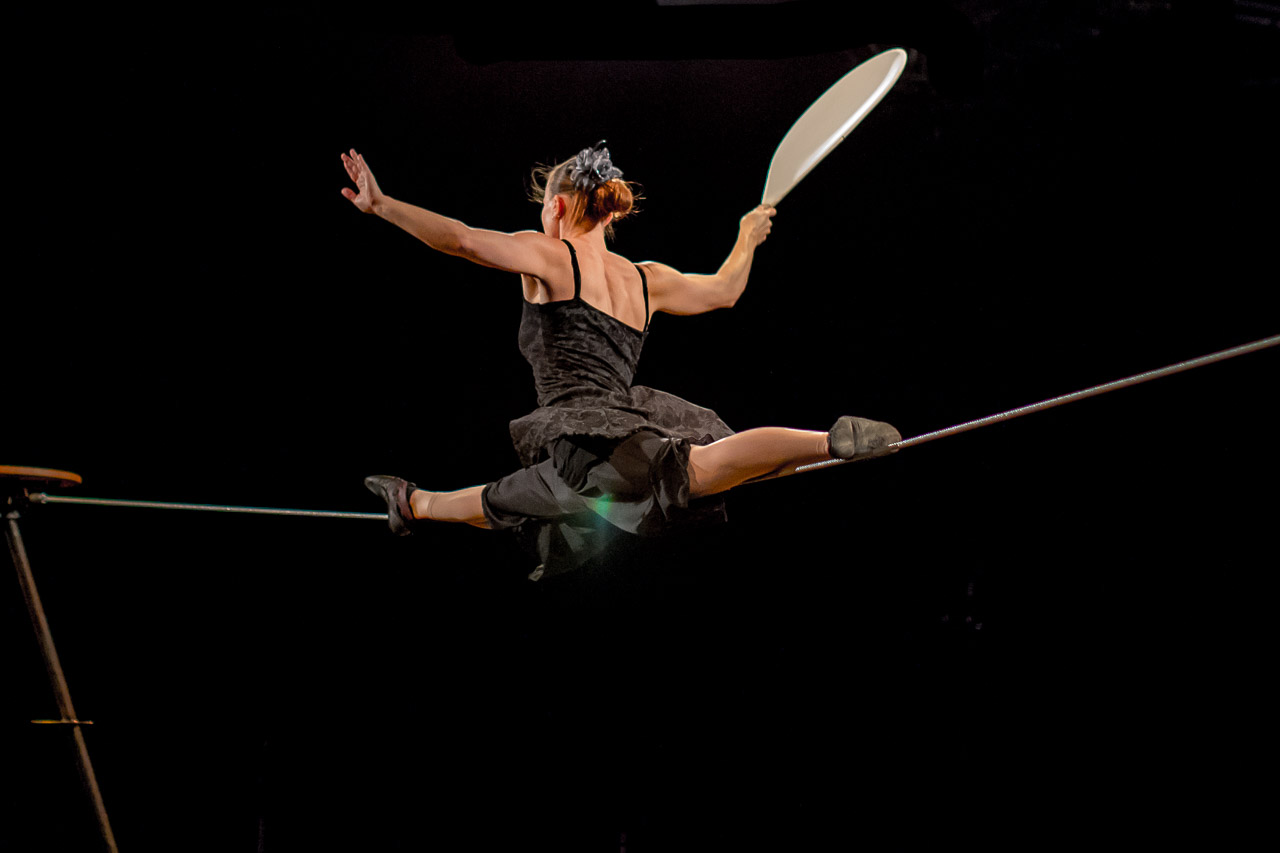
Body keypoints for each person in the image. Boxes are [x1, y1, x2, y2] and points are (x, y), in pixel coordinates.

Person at [343, 142, 899, 577]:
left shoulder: (552, 255)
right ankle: (411, 501)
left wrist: (382, 205)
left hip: (583, 433)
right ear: (608, 214)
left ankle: (828, 442)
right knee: (512, 498)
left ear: (557, 206)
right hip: (609, 428)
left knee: (695, 472)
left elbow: (462, 239)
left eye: (543, 207)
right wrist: (746, 238)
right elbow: (724, 291)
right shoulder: (644, 277)